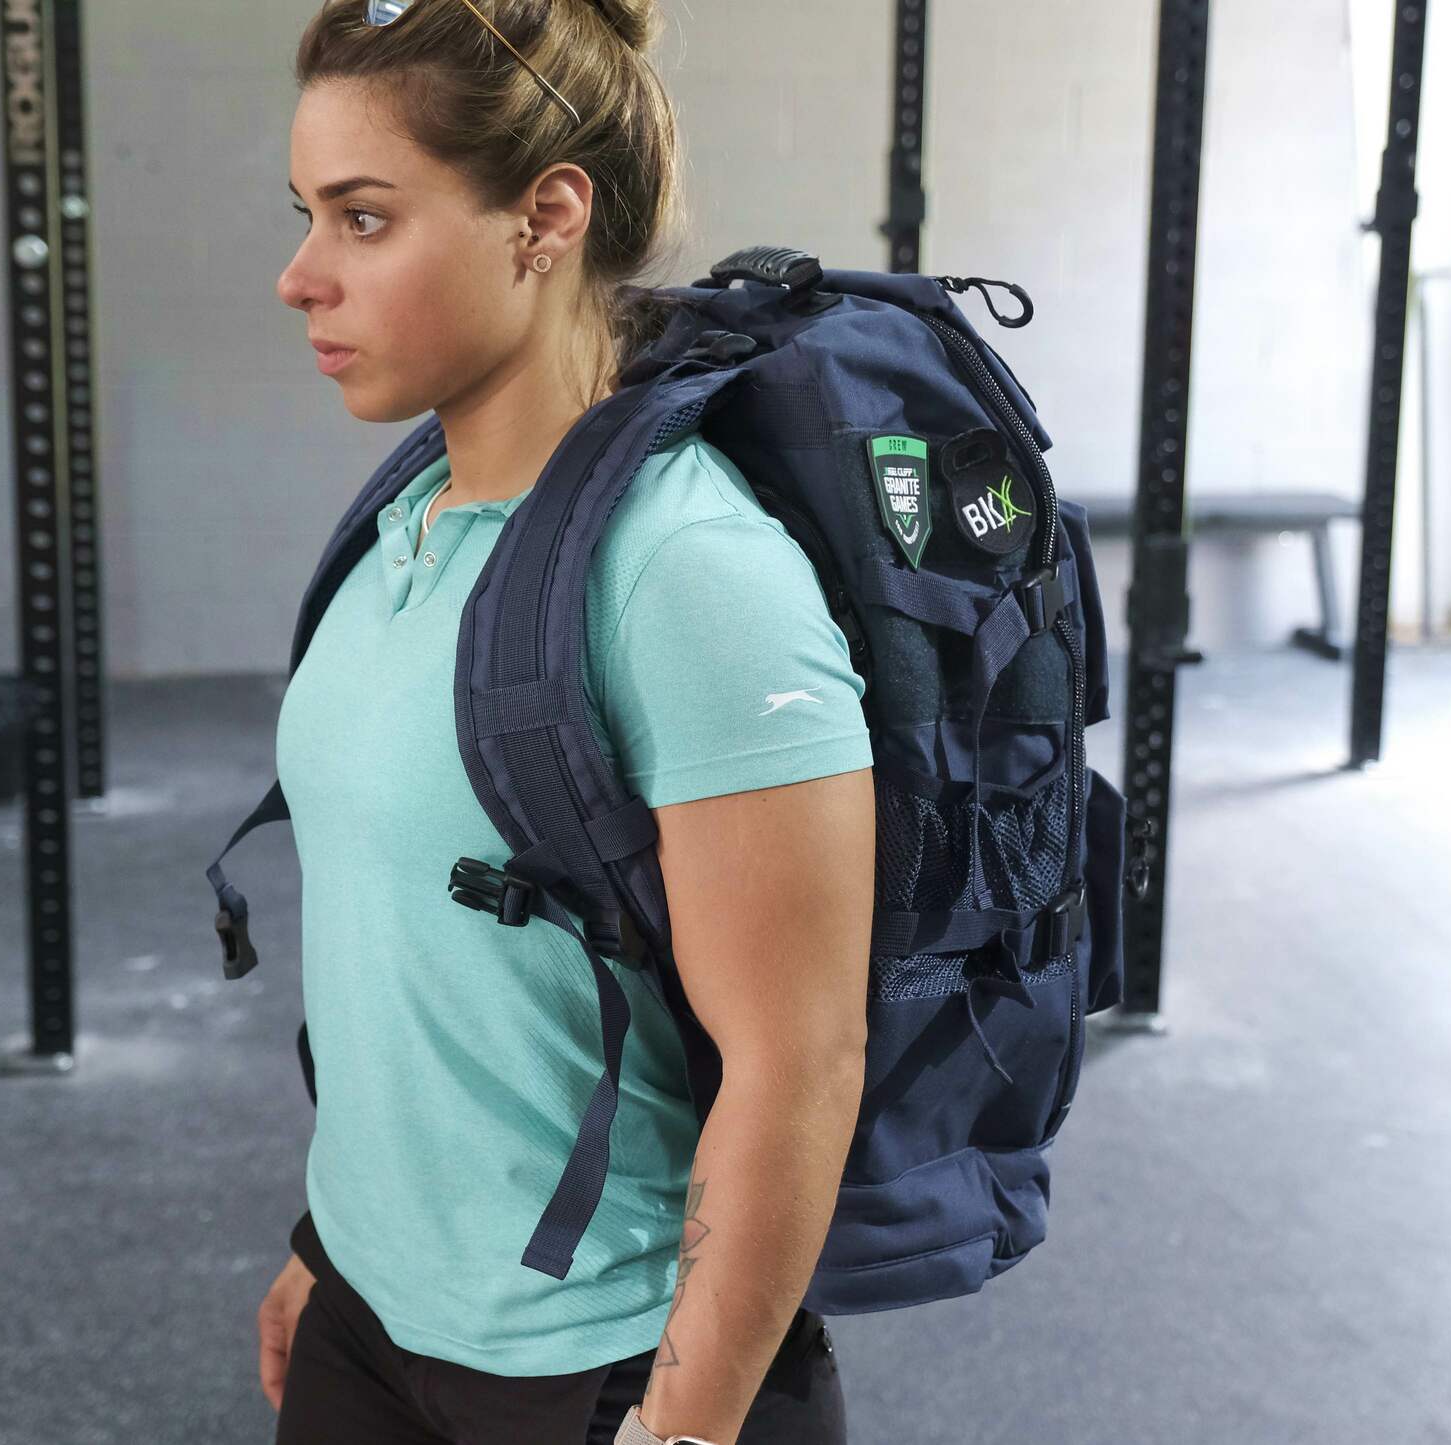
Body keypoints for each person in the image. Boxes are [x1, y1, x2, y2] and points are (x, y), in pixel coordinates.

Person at [261, 3, 873, 1441]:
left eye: (362, 220)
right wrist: (323, 1244)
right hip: (371, 1308)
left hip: (606, 1364)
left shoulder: (686, 573)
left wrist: (685, 1426)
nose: (298, 278)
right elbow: (414, 948)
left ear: (544, 216)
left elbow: (801, 1058)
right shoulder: (411, 512)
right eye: (305, 216)